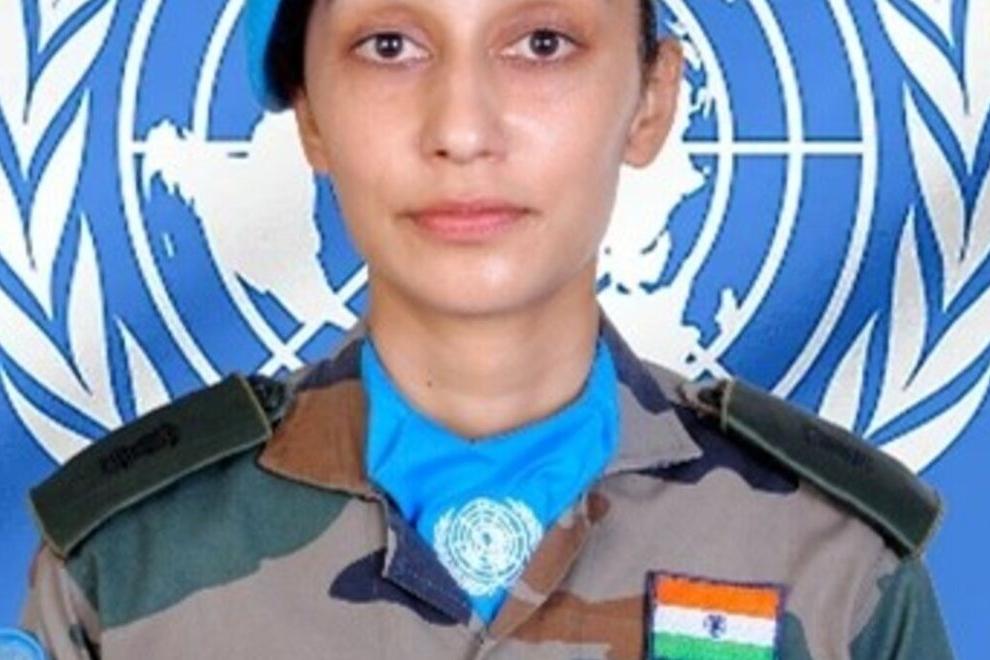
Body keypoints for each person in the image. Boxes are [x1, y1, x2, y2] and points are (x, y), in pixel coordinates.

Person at [12, 0, 954, 657]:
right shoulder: (124, 570)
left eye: (543, 42)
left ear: (651, 99)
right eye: (389, 45)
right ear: (310, 116)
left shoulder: (835, 563)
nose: (462, 130)